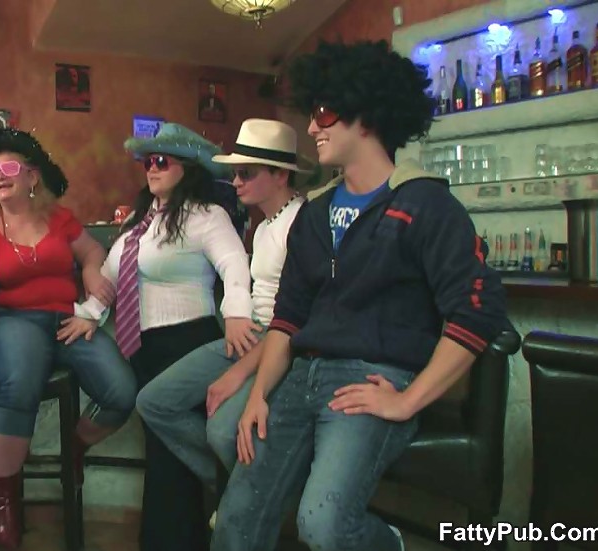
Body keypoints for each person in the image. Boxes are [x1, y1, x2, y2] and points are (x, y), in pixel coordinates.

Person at [211, 40, 509, 551]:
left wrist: (407, 400)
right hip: (300, 378)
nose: (312, 128)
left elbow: (477, 311)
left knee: (323, 525)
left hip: (372, 379)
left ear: (366, 114)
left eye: (324, 113)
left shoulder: (424, 203)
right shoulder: (314, 213)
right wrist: (258, 394)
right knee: (234, 523)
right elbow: (288, 317)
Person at [80, 123, 254, 551]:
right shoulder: (139, 221)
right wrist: (89, 314)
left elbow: (234, 264)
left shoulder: (206, 216)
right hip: (146, 348)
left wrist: (236, 312)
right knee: (161, 452)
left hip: (187, 341)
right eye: (147, 162)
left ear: (188, 168)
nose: (151, 169)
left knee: (170, 457)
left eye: (161, 161)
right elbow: (111, 275)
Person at [0, 128, 137, 549]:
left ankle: (73, 447)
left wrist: (91, 274)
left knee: (122, 390)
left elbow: (92, 252)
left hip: (66, 320)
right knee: (19, 382)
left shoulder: (59, 218)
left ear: (32, 176)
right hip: (10, 319)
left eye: (7, 167)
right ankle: (5, 499)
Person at [135, 118, 313, 498]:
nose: (235, 182)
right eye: (235, 173)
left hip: (282, 342)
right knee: (153, 401)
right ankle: (240, 492)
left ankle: (252, 499)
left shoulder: (301, 223)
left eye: (245, 173)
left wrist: (238, 369)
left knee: (220, 429)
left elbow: (293, 319)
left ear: (280, 175)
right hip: (253, 335)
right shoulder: (264, 226)